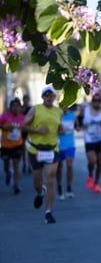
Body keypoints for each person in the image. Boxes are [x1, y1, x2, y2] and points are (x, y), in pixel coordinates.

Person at [21, 85, 63, 224]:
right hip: (35, 149)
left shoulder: (58, 111)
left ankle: (48, 212)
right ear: (42, 97)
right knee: (37, 182)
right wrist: (38, 130)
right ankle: (40, 192)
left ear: (54, 97)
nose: (49, 97)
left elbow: (60, 127)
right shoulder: (35, 109)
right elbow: (23, 126)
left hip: (52, 149)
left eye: (51, 95)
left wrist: (62, 129)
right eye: (46, 95)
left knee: (51, 179)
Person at [79, 91, 101, 193]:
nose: (97, 102)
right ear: (92, 101)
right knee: (92, 161)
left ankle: (96, 183)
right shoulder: (85, 110)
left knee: (100, 163)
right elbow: (79, 124)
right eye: (95, 100)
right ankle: (90, 175)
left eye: (99, 100)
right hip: (89, 140)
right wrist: (83, 126)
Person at [0, 97, 26, 194]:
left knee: (16, 164)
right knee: (6, 165)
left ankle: (16, 184)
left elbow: (26, 127)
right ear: (10, 107)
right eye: (13, 106)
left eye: (17, 106)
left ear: (20, 108)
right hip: (5, 145)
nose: (15, 108)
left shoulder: (22, 118)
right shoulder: (5, 116)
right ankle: (8, 173)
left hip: (17, 144)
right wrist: (5, 127)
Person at [55, 104, 78, 200]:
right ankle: (59, 187)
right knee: (59, 167)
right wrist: (59, 131)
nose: (64, 108)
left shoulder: (73, 115)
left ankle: (69, 188)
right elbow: (52, 129)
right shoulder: (56, 115)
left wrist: (78, 127)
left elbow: (77, 126)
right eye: (62, 106)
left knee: (69, 165)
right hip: (59, 145)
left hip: (70, 145)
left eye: (66, 106)